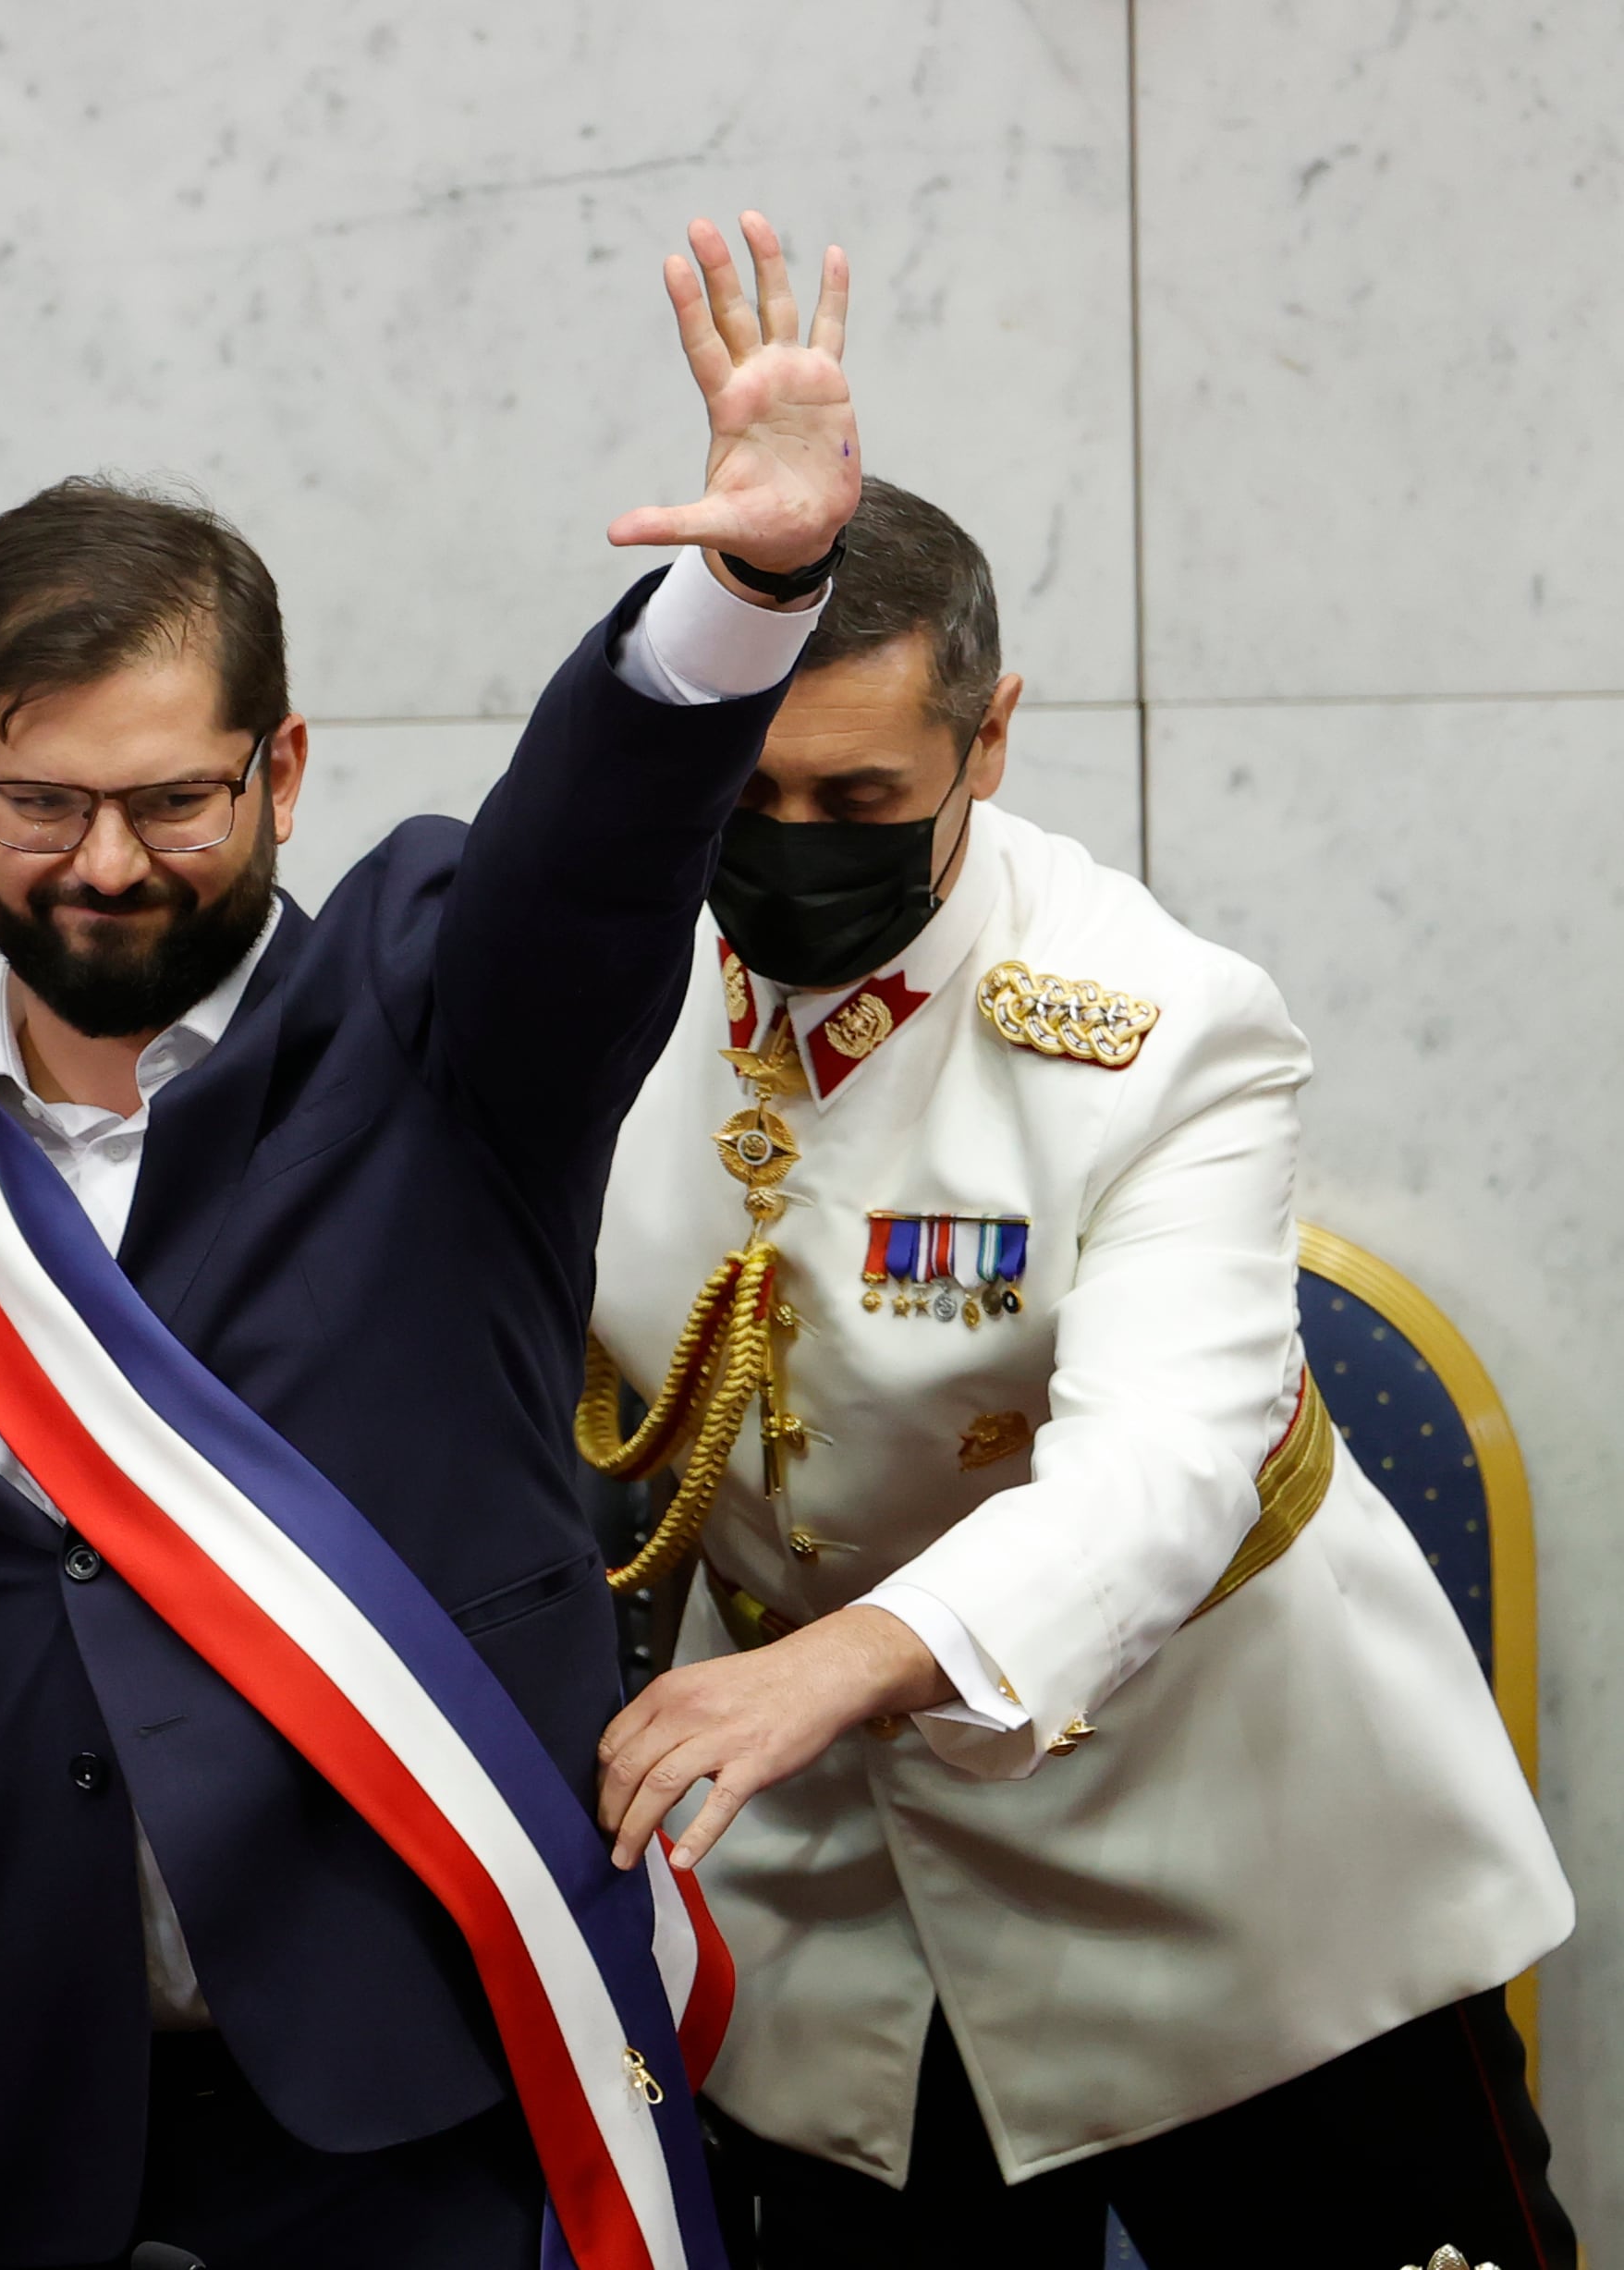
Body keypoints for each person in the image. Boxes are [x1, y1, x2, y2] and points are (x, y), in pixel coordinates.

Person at [0, 214, 861, 2270]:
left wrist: (742, 594)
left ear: (284, 769)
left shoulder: (438, 1026)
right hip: (16, 2149)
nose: (103, 864)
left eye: (174, 801)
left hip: (421, 2113)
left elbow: (590, 862)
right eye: (38, 804)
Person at [582, 482, 1576, 2265]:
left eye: (866, 799)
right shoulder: (605, 978)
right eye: (756, 794)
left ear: (991, 736)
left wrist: (824, 1670)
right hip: (830, 1896)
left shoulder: (1158, 1023)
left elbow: (1159, 1480)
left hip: (1228, 1861)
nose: (795, 842)